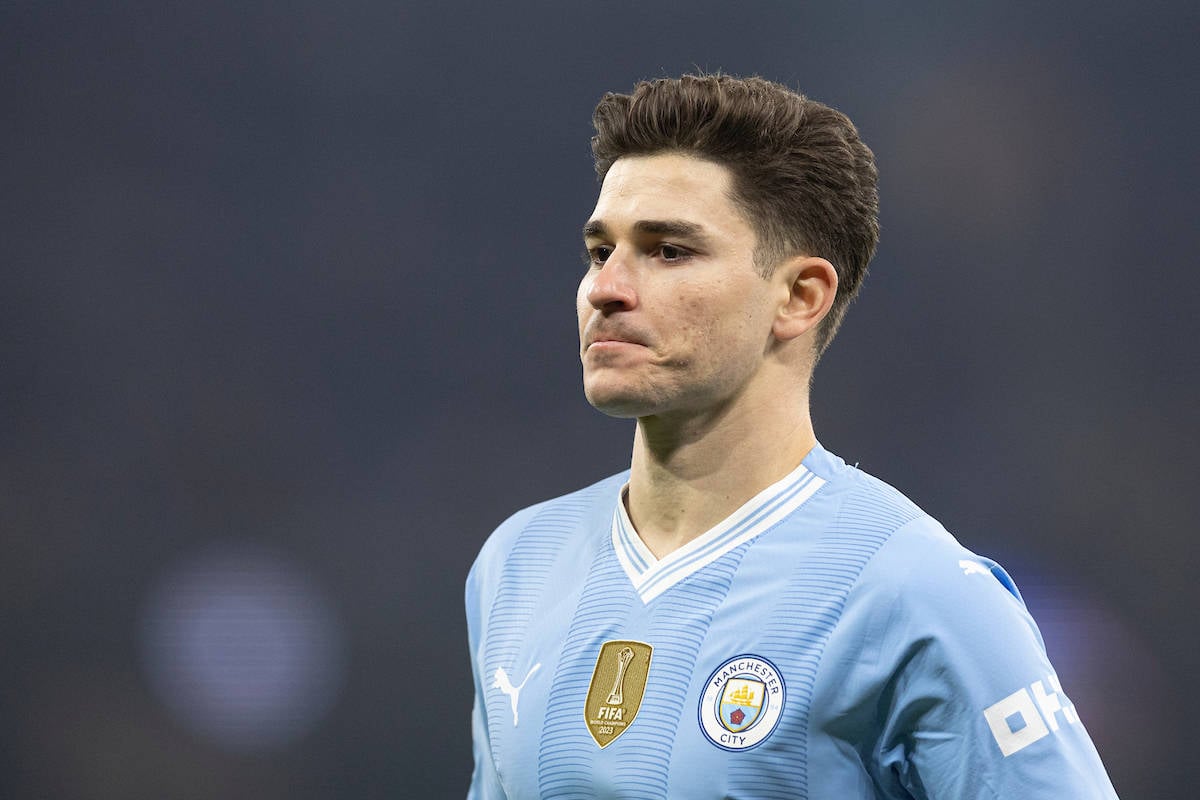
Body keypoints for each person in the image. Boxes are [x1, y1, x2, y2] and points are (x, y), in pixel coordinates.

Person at [465, 73, 1118, 799]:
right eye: (599, 251)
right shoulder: (516, 564)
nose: (606, 288)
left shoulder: (915, 592)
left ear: (800, 297)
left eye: (669, 251)